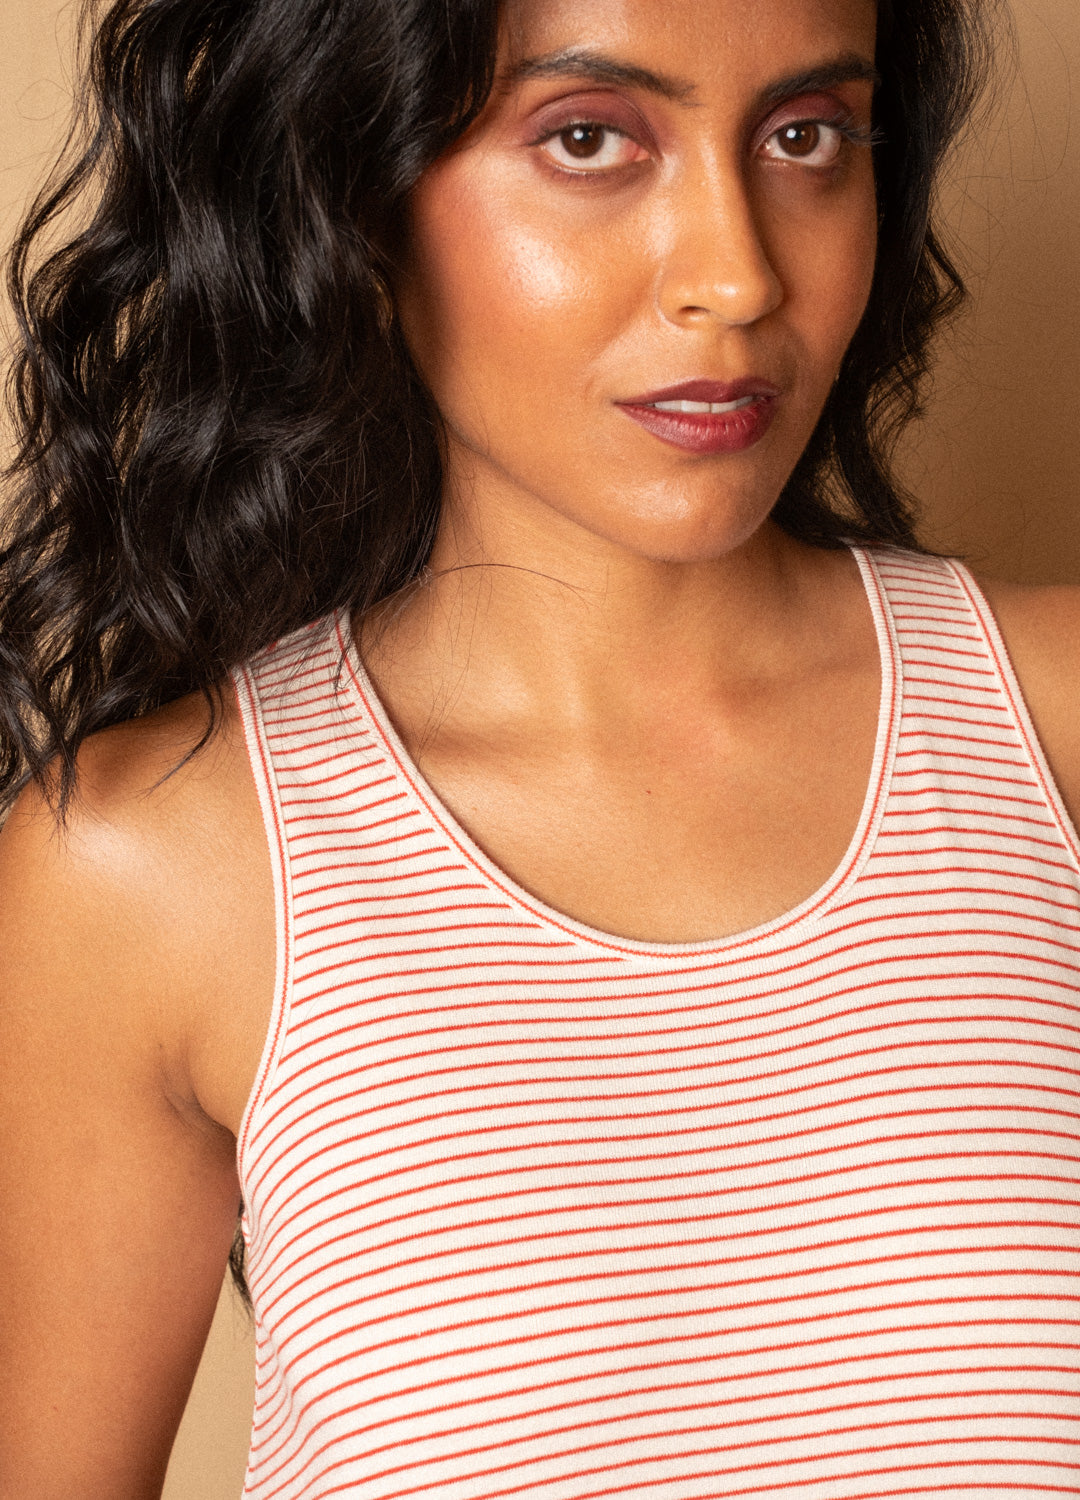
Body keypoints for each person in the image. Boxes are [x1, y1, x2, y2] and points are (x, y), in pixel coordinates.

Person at [2, 0, 1080, 1494]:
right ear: (357, 195)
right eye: (586, 139)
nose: (736, 275)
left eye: (805, 136)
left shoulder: (1055, 728)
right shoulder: (153, 874)